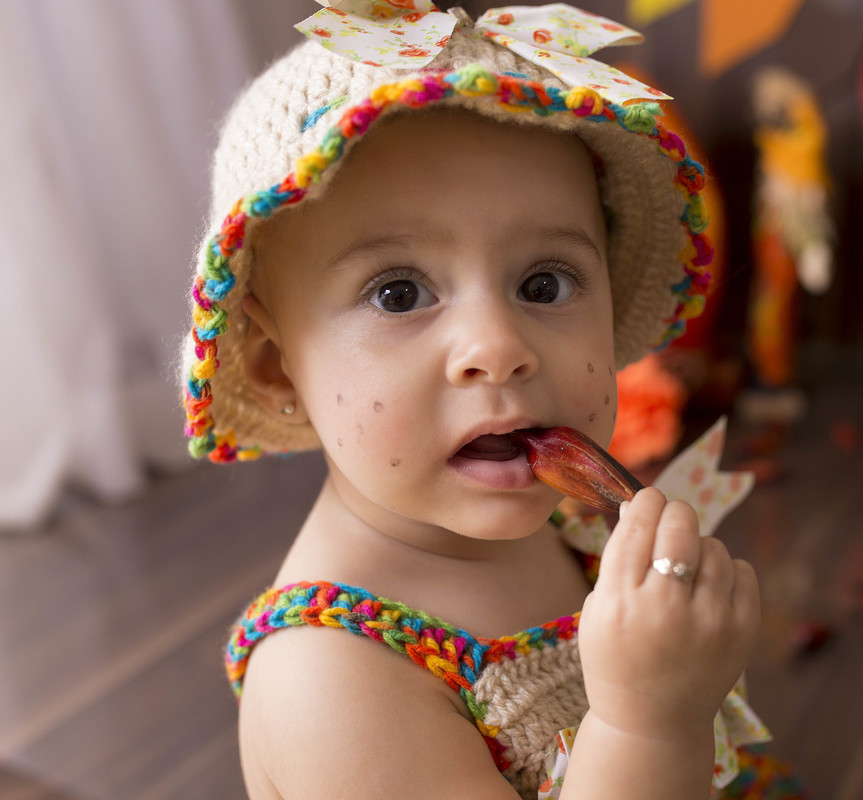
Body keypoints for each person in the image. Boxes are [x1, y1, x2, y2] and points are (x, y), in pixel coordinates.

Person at [182, 6, 797, 798]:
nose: (499, 345)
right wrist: (650, 720)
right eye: (399, 293)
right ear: (277, 370)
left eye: (543, 284)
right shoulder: (330, 680)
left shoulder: (562, 521)